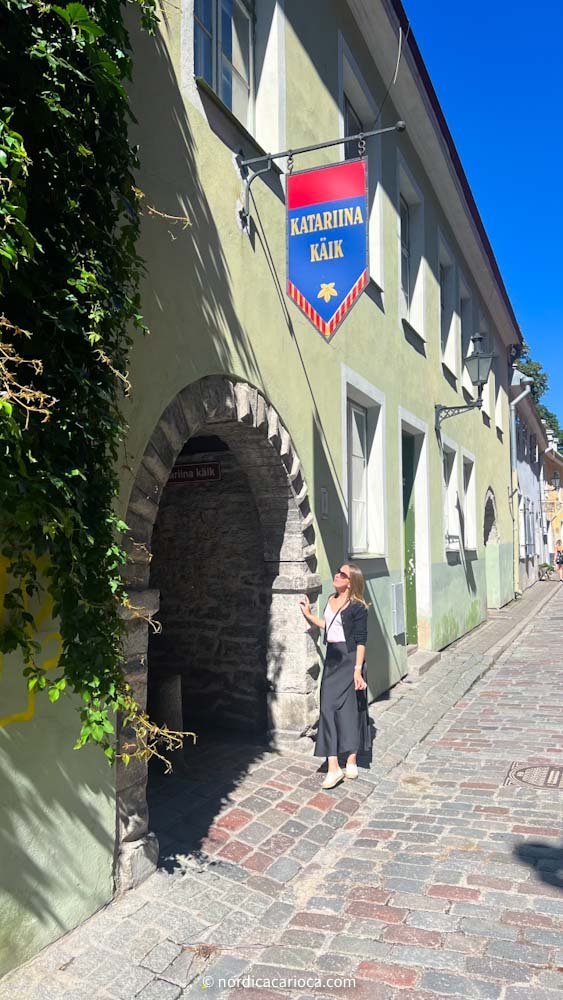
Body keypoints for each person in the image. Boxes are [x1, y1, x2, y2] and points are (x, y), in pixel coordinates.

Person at [300, 563, 370, 789]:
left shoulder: (358, 607)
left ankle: (350, 758)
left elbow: (361, 641)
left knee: (350, 710)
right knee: (327, 707)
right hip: (332, 659)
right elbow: (329, 627)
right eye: (338, 572)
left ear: (351, 582)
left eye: (342, 574)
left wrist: (358, 670)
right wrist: (310, 616)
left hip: (350, 660)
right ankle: (333, 766)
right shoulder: (330, 599)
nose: (337, 576)